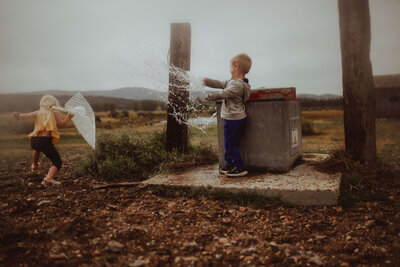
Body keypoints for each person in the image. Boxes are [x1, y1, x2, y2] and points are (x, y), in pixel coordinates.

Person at [204, 53, 252, 177]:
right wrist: (207, 81)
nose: (229, 68)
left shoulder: (237, 85)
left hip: (234, 119)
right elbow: (220, 84)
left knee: (231, 143)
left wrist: (210, 97)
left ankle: (239, 167)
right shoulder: (233, 82)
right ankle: (229, 164)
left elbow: (224, 93)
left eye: (230, 66)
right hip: (233, 118)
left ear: (236, 67)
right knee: (229, 143)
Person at [13, 95, 74, 185]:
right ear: (54, 103)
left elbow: (25, 116)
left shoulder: (39, 112)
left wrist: (18, 115)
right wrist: (68, 118)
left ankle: (35, 165)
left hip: (34, 140)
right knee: (57, 162)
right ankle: (48, 179)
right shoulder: (55, 112)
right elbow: (60, 125)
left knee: (37, 149)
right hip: (44, 141)